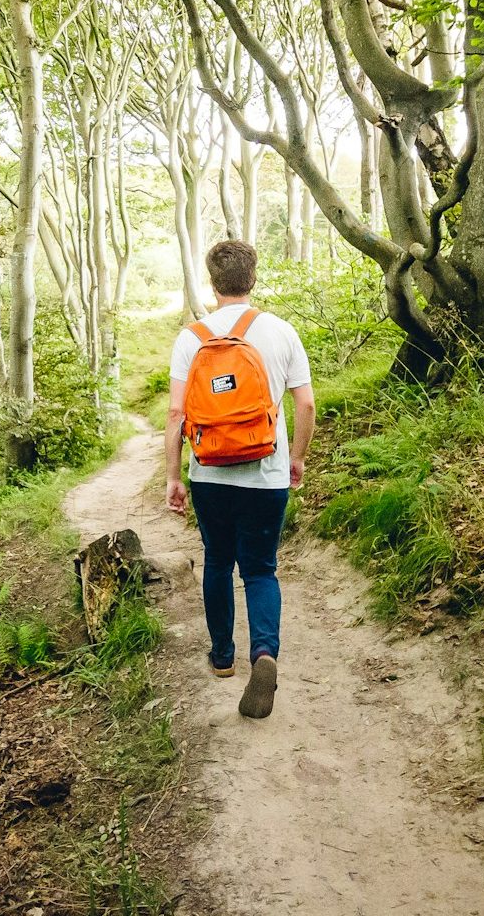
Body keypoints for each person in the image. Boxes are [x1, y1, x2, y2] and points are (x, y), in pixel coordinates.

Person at [165, 240, 314, 719]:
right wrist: (298, 459)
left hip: (209, 473)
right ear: (253, 279)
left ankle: (223, 657)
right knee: (260, 569)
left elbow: (174, 413)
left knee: (217, 562)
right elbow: (306, 405)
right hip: (266, 471)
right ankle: (264, 655)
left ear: (213, 283)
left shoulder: (192, 337)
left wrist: (174, 476)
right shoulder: (281, 331)